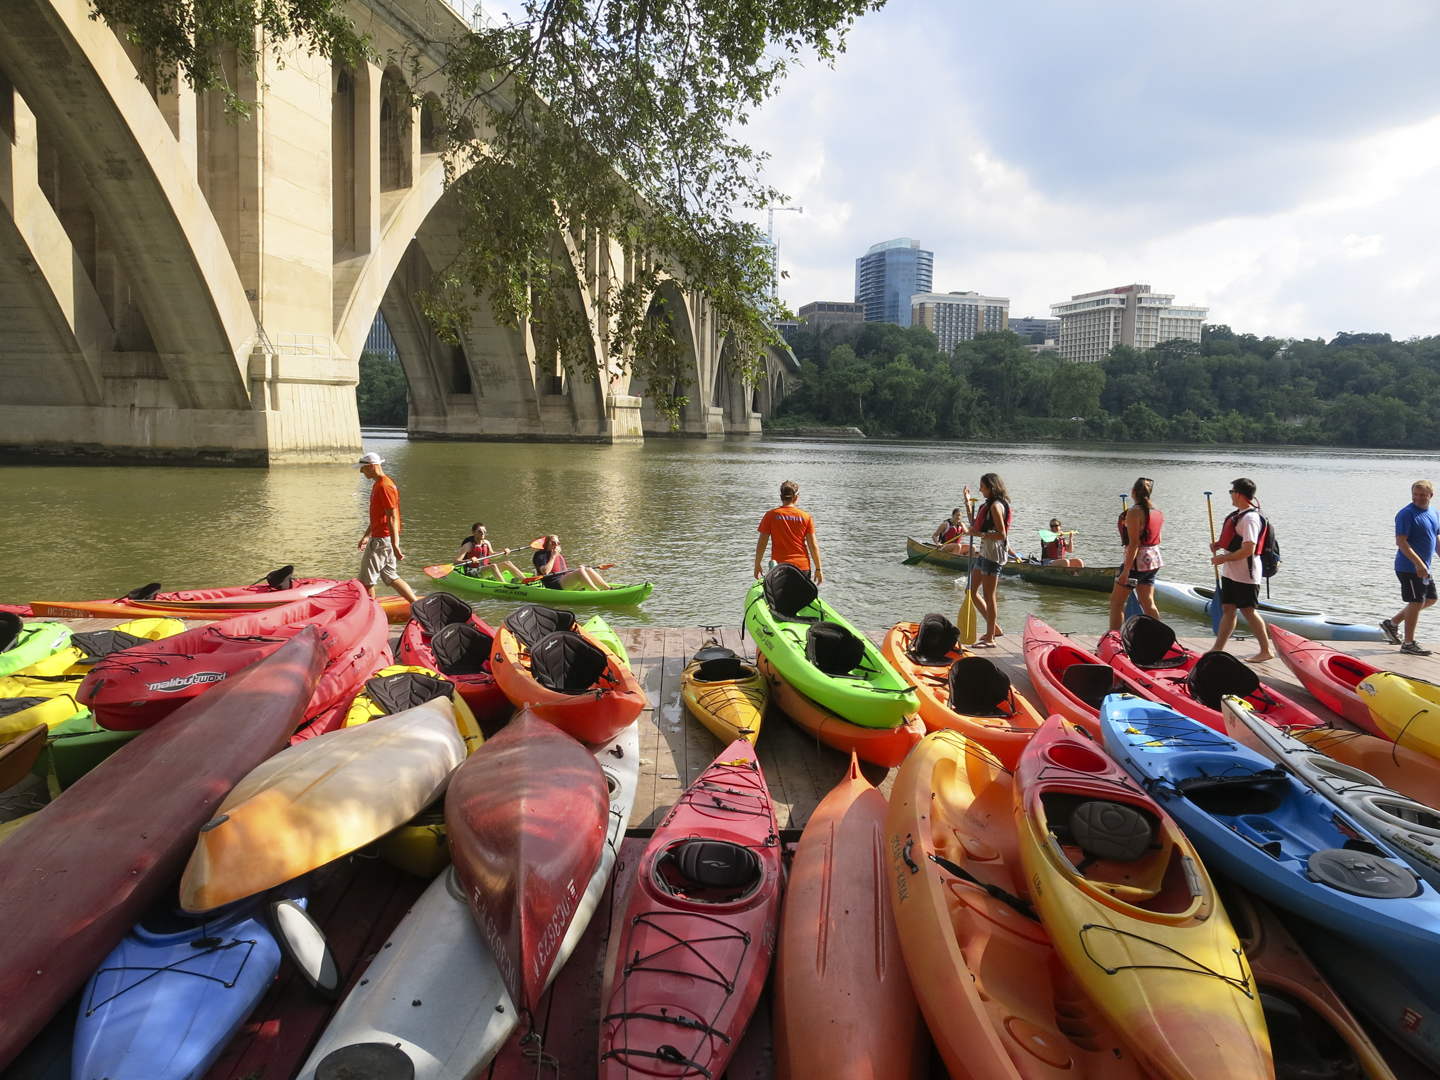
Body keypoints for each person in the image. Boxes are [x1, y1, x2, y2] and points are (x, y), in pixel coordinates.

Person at [1209, 477, 1273, 663]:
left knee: (1248, 610)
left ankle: (1266, 650)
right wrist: (1219, 546)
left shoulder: (1251, 518)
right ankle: (1217, 648)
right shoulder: (1238, 515)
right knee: (1228, 608)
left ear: (1240, 494)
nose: (1230, 495)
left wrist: (1223, 558)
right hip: (1231, 571)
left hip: (1246, 573)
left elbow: (1248, 550)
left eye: (1232, 492)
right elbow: (1235, 540)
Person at [1381, 480, 1438, 655]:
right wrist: (1418, 563)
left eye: (1422, 495)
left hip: (1423, 567)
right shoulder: (1406, 514)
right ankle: (1408, 643)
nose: (1418, 498)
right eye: (1415, 494)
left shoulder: (1434, 512)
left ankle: (1392, 624)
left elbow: (1435, 537)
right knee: (1417, 601)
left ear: (1430, 496)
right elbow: (1401, 541)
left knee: (1431, 599)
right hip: (1409, 566)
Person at [355, 452, 419, 603]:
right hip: (382, 537)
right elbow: (380, 516)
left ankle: (371, 613)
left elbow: (392, 517)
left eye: (362, 468)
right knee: (391, 577)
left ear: (371, 466)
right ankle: (417, 606)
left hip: (381, 540)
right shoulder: (379, 484)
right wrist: (366, 536)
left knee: (367, 581)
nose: (360, 471)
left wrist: (395, 545)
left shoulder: (385, 486)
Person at [1109, 479, 1163, 631]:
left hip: (1136, 563)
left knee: (1116, 602)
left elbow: (1134, 543)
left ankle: (1113, 638)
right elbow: (1158, 537)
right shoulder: (1156, 512)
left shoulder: (1134, 512)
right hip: (1153, 561)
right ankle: (1158, 635)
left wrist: (1126, 570)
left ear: (1133, 491)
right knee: (1148, 602)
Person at [963, 473, 1010, 647]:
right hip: (985, 551)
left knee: (989, 596)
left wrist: (978, 534)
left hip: (994, 553)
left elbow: (1001, 535)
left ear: (991, 487)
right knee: (971, 590)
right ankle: (994, 628)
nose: (980, 489)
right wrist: (968, 501)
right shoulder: (988, 505)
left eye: (982, 486)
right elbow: (976, 523)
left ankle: (990, 638)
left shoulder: (996, 506)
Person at [755, 480, 824, 582]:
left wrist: (757, 565)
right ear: (796, 498)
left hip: (779, 568)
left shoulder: (770, 515)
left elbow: (762, 542)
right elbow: (813, 545)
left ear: (781, 497)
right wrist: (818, 569)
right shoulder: (806, 517)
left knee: (781, 598)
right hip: (802, 568)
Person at [532, 535, 611, 591]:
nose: (556, 545)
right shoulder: (541, 556)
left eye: (558, 543)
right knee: (580, 571)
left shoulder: (558, 555)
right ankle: (597, 592)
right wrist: (553, 556)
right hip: (553, 585)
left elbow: (563, 571)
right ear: (546, 545)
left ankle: (608, 588)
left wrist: (578, 570)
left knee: (587, 569)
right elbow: (545, 572)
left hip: (564, 581)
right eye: (553, 543)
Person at [456, 523, 525, 582]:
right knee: (493, 566)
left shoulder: (486, 543)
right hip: (472, 571)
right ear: (473, 532)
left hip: (485, 569)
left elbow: (491, 555)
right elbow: (456, 562)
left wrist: (503, 552)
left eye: (484, 531)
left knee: (507, 563)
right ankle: (504, 586)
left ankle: (526, 581)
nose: (482, 533)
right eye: (480, 531)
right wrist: (469, 560)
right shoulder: (468, 545)